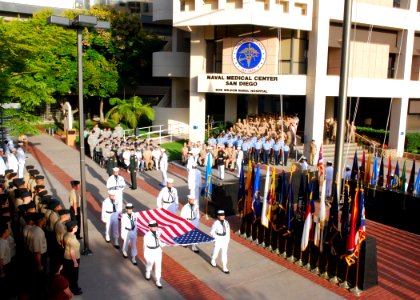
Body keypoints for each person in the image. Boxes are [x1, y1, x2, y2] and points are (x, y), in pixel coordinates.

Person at [62, 220, 82, 296]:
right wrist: (75, 262)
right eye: (75, 226)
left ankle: (71, 287)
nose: (77, 227)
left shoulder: (66, 235)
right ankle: (75, 289)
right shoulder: (72, 239)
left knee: (68, 274)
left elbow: (63, 244)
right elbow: (72, 252)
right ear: (72, 228)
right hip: (72, 259)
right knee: (74, 275)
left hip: (66, 257)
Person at [143, 220, 164, 289]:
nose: (155, 228)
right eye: (153, 226)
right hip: (150, 251)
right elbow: (144, 246)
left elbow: (160, 242)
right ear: (150, 227)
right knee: (150, 264)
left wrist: (165, 244)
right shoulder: (147, 235)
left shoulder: (158, 233)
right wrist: (145, 254)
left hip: (157, 250)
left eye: (156, 226)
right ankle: (148, 271)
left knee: (158, 265)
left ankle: (158, 280)